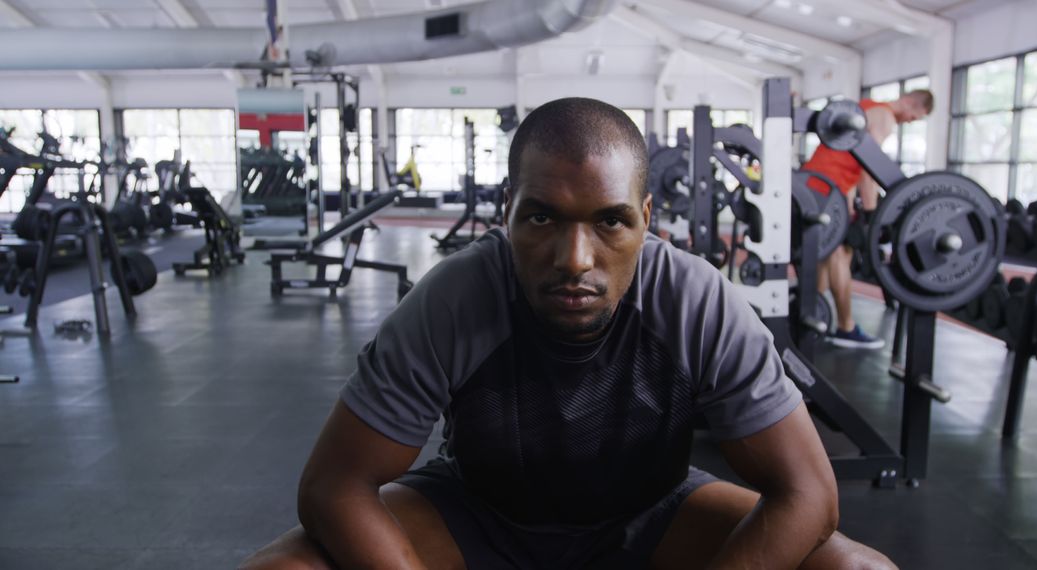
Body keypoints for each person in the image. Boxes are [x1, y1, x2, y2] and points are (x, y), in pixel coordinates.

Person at [241, 98, 895, 570]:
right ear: (509, 214)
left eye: (609, 222)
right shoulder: (454, 299)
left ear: (646, 220)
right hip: (480, 517)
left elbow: (810, 496)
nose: (574, 259)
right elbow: (332, 487)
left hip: (652, 516)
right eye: (543, 218)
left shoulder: (697, 302)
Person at [802, 89, 934, 349]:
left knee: (825, 252)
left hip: (819, 187)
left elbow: (845, 159)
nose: (910, 121)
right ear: (909, 102)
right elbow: (868, 167)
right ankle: (845, 327)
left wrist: (849, 207)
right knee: (841, 254)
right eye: (914, 116)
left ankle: (812, 315)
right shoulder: (884, 116)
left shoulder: (865, 107)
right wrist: (872, 215)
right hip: (826, 190)